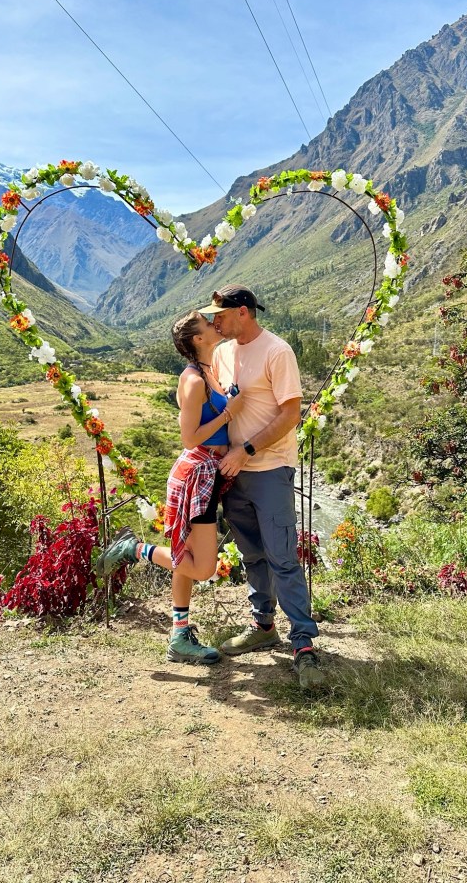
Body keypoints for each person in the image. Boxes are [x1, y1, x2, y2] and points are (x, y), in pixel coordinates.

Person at [96, 310, 243, 665]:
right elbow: (189, 437)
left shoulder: (212, 370)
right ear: (198, 339)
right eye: (209, 324)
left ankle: (179, 637)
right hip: (197, 476)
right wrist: (228, 414)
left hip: (208, 474)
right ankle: (135, 550)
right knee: (203, 568)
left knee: (188, 559)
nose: (216, 324)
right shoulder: (194, 381)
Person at [198, 284, 325, 689]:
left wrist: (246, 450)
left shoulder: (277, 351)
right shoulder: (222, 353)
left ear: (243, 313)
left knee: (282, 557)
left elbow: (291, 414)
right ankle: (264, 625)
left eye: (220, 315)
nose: (215, 322)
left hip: (269, 467)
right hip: (233, 472)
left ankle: (303, 644)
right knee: (253, 555)